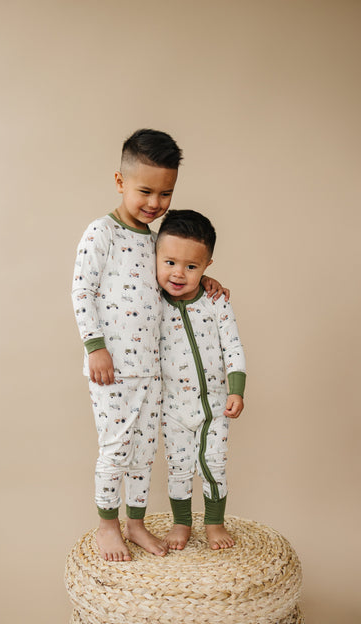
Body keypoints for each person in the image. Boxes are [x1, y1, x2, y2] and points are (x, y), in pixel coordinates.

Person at [71, 129, 229, 562]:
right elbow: (82, 292)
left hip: (152, 370)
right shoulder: (101, 233)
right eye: (145, 191)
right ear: (120, 181)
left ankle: (135, 523)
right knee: (116, 448)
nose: (156, 203)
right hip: (112, 370)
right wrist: (95, 346)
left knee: (144, 453)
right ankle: (108, 524)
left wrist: (203, 281)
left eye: (166, 193)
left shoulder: (156, 241)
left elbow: (172, 280)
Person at [156, 209, 246, 551]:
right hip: (173, 408)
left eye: (192, 267)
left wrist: (236, 390)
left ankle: (214, 523)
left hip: (214, 406)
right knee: (178, 467)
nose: (179, 273)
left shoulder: (215, 301)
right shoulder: (152, 302)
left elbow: (232, 346)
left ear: (207, 266)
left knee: (214, 465)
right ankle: (181, 522)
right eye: (170, 263)